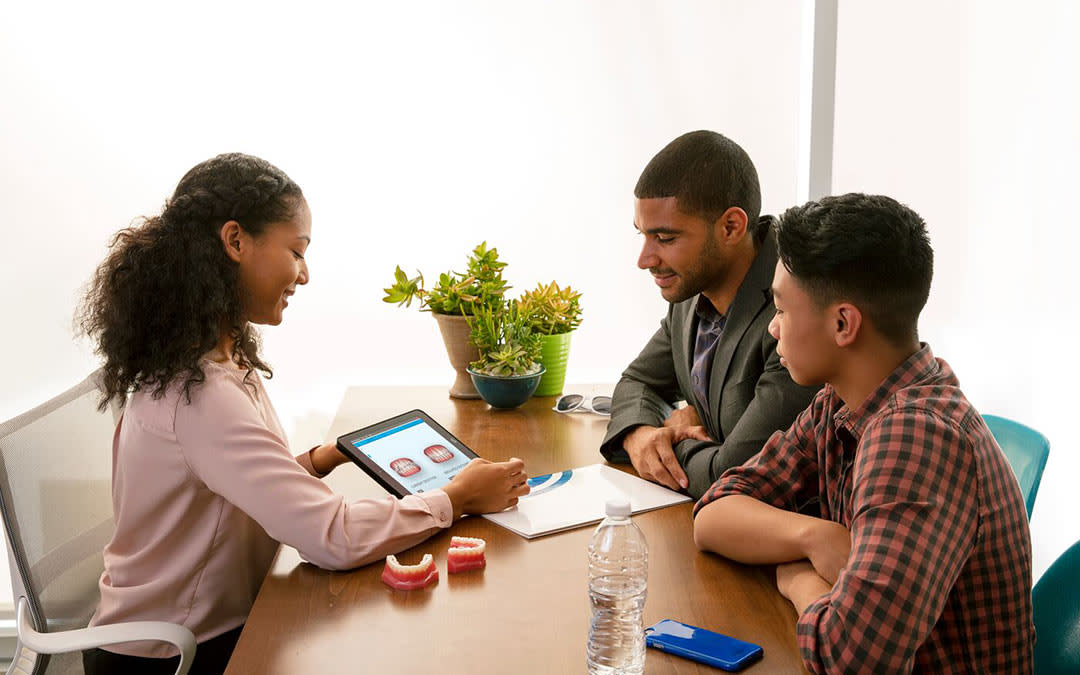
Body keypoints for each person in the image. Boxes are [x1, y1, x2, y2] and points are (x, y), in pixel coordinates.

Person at [77, 153, 530, 675]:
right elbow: (332, 538)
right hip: (173, 657)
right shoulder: (200, 396)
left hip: (187, 636)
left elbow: (224, 487)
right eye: (297, 250)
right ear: (235, 241)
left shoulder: (213, 361)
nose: (305, 274)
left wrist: (318, 460)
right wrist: (456, 497)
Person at [693, 194, 1034, 672]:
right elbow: (713, 514)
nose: (773, 329)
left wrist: (796, 580)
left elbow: (849, 660)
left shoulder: (916, 436)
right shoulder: (841, 402)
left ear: (842, 323)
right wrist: (813, 536)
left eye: (783, 310)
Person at [600, 130, 818, 498]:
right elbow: (639, 382)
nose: (644, 260)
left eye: (665, 238)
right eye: (642, 235)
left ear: (731, 226)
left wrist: (671, 443)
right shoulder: (689, 291)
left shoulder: (796, 311)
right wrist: (640, 435)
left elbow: (736, 474)